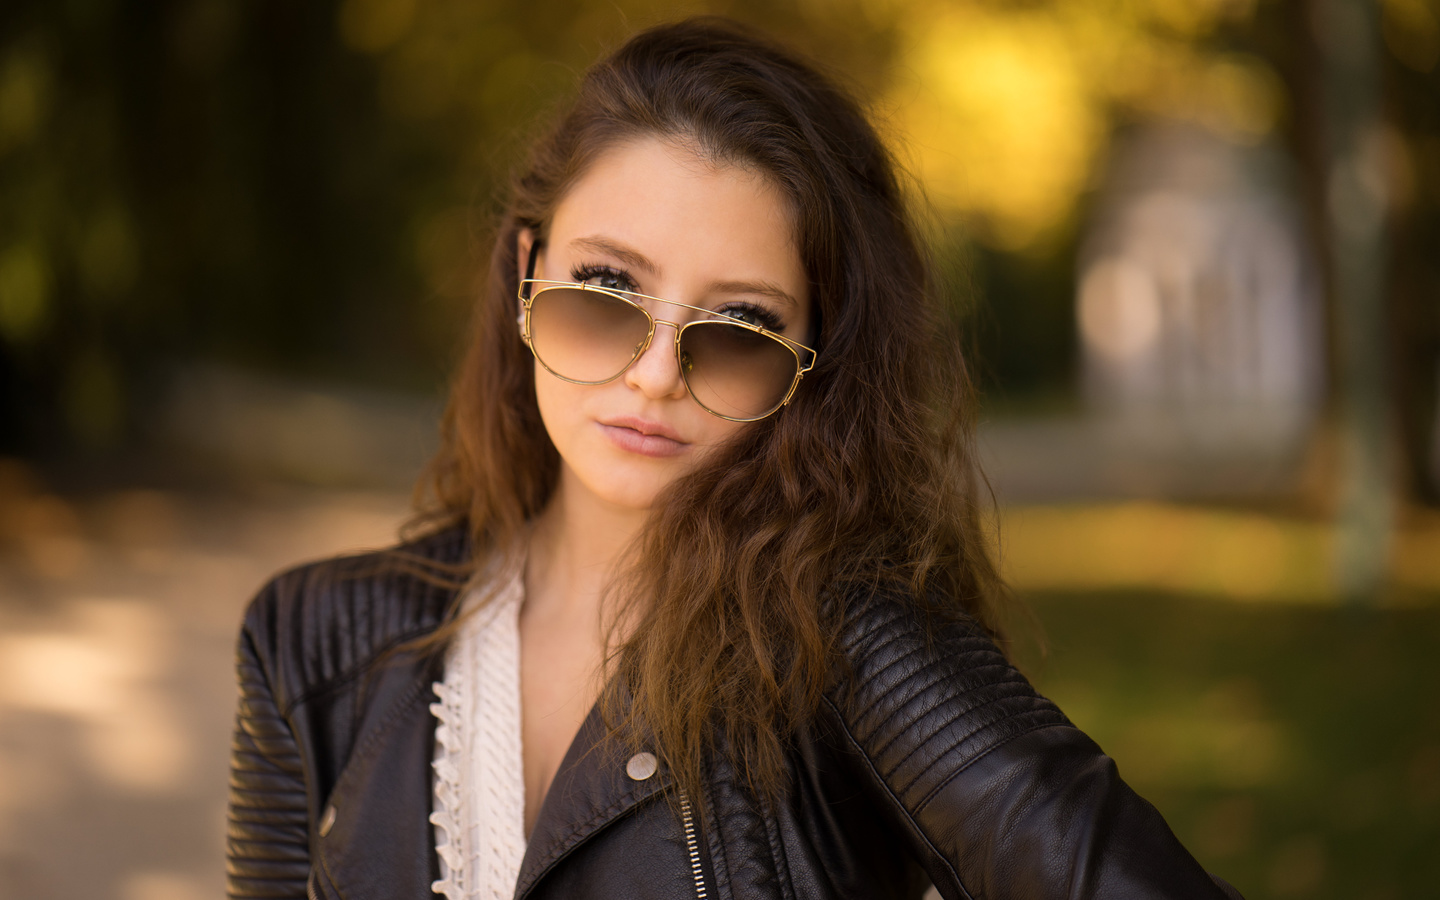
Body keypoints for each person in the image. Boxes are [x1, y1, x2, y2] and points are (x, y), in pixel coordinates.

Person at [225, 17, 1243, 900]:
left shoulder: (853, 651)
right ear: (528, 273)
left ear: (813, 367)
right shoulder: (308, 647)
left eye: (739, 328)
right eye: (607, 291)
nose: (657, 374)